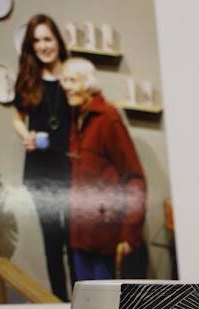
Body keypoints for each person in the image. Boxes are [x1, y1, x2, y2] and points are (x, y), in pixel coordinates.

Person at [60, 58, 147, 281]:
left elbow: (135, 179)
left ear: (88, 83)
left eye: (73, 81)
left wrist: (129, 234)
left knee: (106, 299)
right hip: (80, 234)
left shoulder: (108, 118)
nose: (66, 87)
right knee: (85, 297)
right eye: (64, 81)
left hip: (106, 237)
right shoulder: (75, 117)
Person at [12, 14, 74, 301]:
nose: (43, 46)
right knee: (52, 240)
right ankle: (60, 302)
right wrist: (26, 135)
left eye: (47, 38)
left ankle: (82, 301)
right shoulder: (28, 79)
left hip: (70, 168)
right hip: (39, 171)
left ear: (58, 41)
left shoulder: (73, 77)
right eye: (36, 41)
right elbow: (16, 117)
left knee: (72, 238)